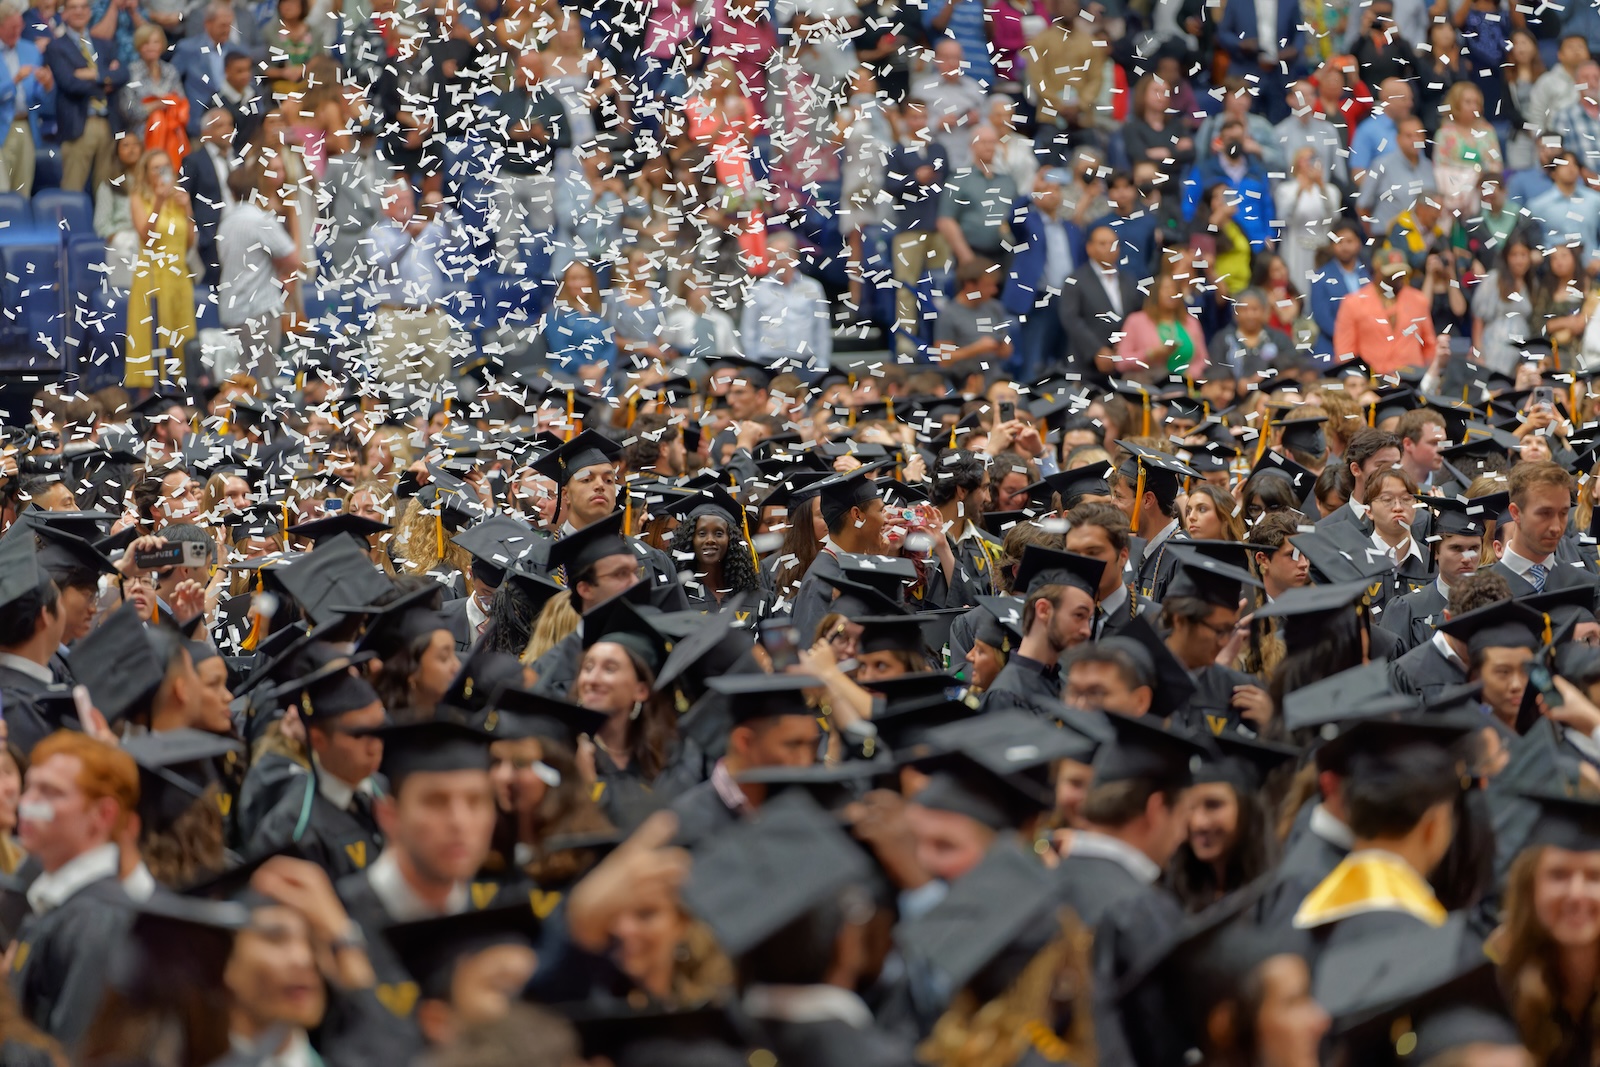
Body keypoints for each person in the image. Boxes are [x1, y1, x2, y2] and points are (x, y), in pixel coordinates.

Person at [10, 732, 139, 1045]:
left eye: (50, 793)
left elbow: (68, 1052)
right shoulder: (55, 900)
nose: (27, 805)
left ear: (103, 814)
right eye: (29, 788)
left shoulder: (98, 921)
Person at [362, 180, 469, 389]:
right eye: (398, 200)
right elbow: (384, 264)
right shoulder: (376, 234)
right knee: (395, 384)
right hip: (395, 317)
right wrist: (407, 238)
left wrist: (443, 210)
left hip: (431, 315)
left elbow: (461, 239)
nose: (404, 204)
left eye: (407, 199)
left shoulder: (427, 229)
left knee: (437, 384)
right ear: (385, 206)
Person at [216, 161, 302, 379]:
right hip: (258, 312)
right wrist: (280, 269)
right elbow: (293, 258)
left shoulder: (225, 222)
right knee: (262, 386)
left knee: (240, 382)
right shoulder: (260, 220)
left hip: (231, 311)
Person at [124, 148, 196, 391]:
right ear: (146, 173)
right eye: (156, 168)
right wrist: (159, 201)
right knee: (150, 342)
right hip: (153, 277)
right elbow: (147, 236)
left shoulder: (179, 198)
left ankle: (180, 399)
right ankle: (151, 404)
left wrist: (187, 210)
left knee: (181, 338)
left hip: (179, 276)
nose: (162, 172)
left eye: (165, 166)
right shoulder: (139, 198)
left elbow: (190, 242)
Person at [740, 230, 832, 371]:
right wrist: (753, 367)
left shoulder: (812, 287)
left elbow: (821, 330)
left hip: (805, 363)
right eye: (771, 257)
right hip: (768, 363)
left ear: (794, 256)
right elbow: (748, 331)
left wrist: (822, 365)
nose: (776, 262)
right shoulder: (758, 290)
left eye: (781, 256)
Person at [1062, 224, 1142, 379]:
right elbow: (1071, 319)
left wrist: (1126, 344)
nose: (1109, 248)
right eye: (1102, 244)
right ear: (1089, 248)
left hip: (1122, 361)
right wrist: (1096, 350)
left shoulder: (1129, 281)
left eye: (1113, 244)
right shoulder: (1075, 280)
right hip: (1086, 364)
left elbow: (1136, 316)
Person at [0, 0, 47, 196]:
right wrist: (15, 80)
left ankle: (20, 226)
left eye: (20, 26)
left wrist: (47, 85)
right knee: (2, 191)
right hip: (2, 126)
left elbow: (39, 97)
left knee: (22, 189)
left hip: (26, 125)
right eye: (12, 27)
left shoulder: (30, 50)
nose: (18, 31)